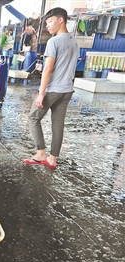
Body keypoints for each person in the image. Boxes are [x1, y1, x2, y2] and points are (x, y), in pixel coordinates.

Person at [23, 7, 79, 169]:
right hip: (67, 89)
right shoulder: (74, 41)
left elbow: (47, 69)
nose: (47, 26)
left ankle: (41, 153)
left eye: (50, 21)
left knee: (33, 117)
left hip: (53, 89)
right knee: (58, 123)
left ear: (61, 20)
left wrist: (41, 94)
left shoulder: (53, 42)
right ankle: (52, 158)